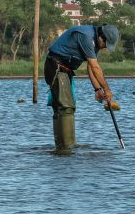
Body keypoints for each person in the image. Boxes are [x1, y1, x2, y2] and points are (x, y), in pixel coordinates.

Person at [44, 23, 119, 151]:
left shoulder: (94, 42)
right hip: (55, 66)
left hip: (64, 70)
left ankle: (65, 146)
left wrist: (97, 89)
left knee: (65, 107)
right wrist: (106, 89)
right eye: (105, 45)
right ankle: (66, 147)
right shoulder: (86, 36)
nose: (104, 48)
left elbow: (90, 67)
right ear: (102, 37)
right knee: (65, 107)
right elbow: (95, 67)